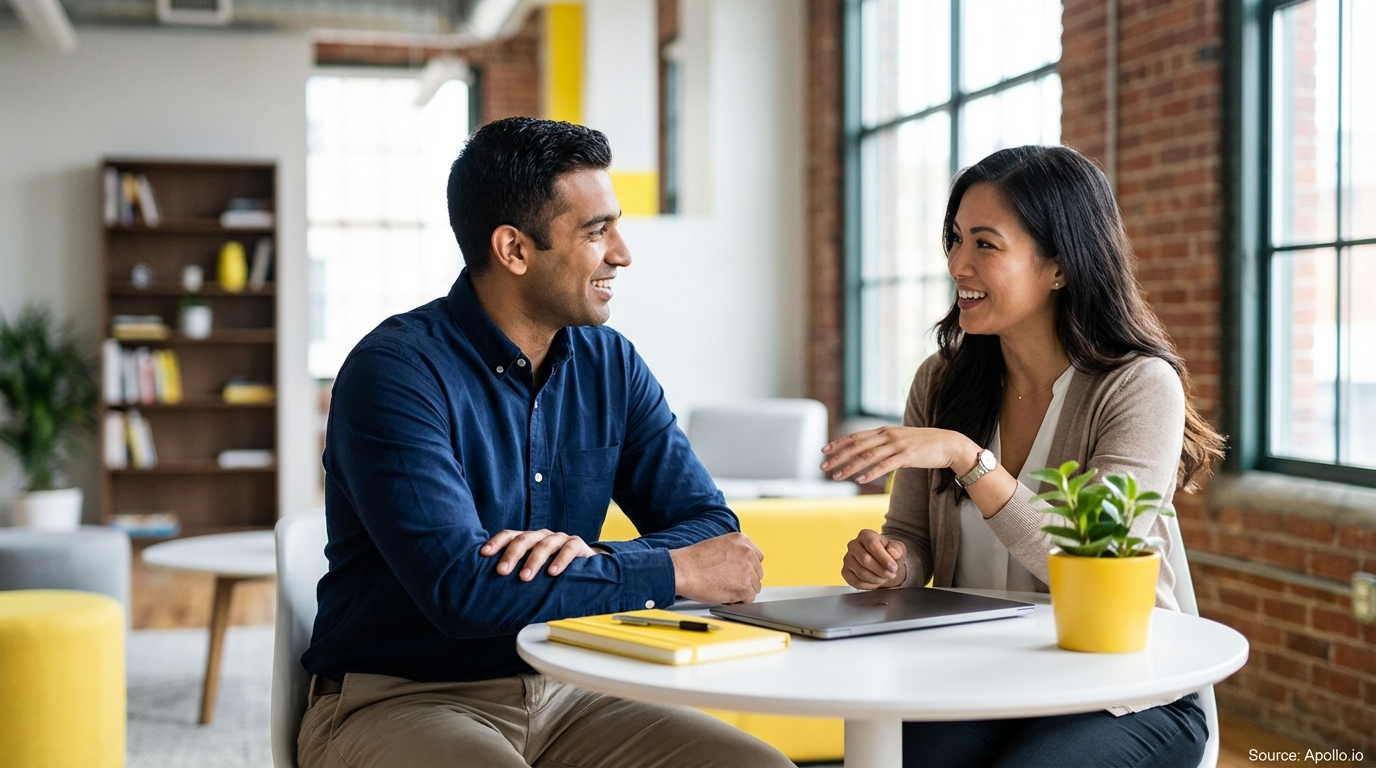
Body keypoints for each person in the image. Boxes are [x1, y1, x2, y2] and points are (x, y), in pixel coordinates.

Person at [298, 117, 792, 768]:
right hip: (402, 697)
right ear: (514, 249)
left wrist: (589, 556)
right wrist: (668, 570)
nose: (622, 252)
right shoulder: (394, 373)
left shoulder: (609, 364)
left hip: (572, 686)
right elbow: (464, 594)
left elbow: (714, 536)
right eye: (596, 231)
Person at [821, 145, 1226, 768]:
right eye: (955, 239)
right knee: (884, 754)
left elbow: (1090, 557)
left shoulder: (1139, 385)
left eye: (986, 243)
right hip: (982, 680)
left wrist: (968, 459)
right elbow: (910, 537)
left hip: (1122, 690)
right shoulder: (940, 380)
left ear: (1059, 266)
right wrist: (891, 565)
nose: (958, 263)